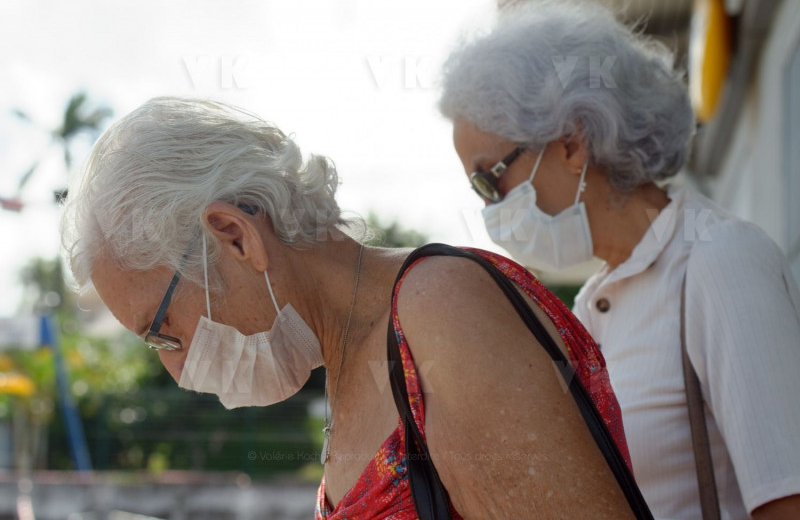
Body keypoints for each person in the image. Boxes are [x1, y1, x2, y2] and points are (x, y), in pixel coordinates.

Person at [61, 97, 646, 519]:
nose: (175, 371)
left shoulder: (438, 309)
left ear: (235, 236)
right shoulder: (354, 363)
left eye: (164, 332)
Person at [439, 0, 800, 520]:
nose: (489, 210)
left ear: (571, 142)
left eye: (488, 180)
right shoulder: (592, 307)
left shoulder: (719, 262)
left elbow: (786, 500)